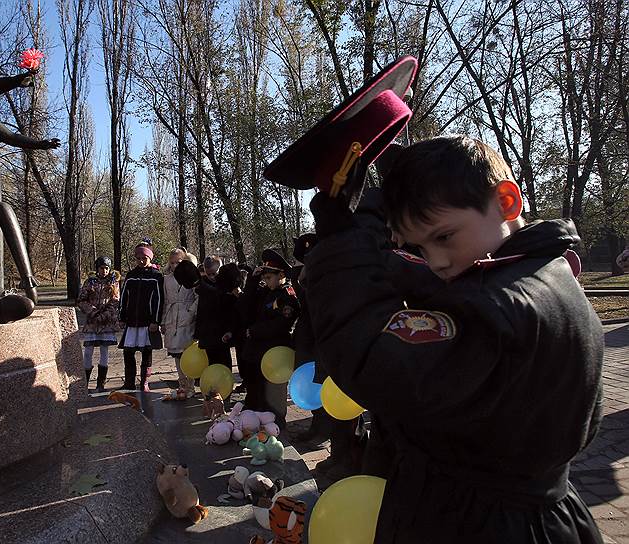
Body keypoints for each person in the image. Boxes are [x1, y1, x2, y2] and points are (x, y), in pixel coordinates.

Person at [304, 135, 603, 543]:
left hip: (485, 526)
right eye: (421, 246)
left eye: (443, 237)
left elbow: (372, 356)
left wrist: (342, 243)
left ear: (507, 202)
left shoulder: (499, 311)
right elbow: (444, 286)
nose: (436, 260)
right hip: (530, 515)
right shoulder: (540, 273)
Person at [238, 249, 299, 425]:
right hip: (258, 351)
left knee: (274, 392)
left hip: (276, 351)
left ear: (281, 275)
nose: (266, 281)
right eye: (264, 278)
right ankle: (257, 419)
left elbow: (282, 324)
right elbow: (244, 306)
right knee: (256, 388)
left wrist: (256, 331)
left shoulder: (287, 296)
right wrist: (253, 281)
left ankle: (277, 423)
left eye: (269, 277)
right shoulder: (266, 291)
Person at [119, 241, 165, 392]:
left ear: (150, 258)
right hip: (132, 320)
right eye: (138, 258)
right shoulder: (131, 276)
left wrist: (155, 320)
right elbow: (124, 297)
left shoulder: (156, 276)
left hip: (147, 321)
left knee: (146, 352)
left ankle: (144, 381)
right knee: (128, 352)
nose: (141, 260)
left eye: (144, 257)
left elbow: (159, 299)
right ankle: (129, 381)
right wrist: (121, 316)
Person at [78, 256, 121, 392]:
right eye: (102, 268)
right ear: (97, 269)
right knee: (88, 351)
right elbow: (82, 300)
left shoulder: (113, 282)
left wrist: (105, 314)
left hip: (107, 321)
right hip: (92, 321)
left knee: (104, 351)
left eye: (107, 268)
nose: (104, 271)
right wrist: (93, 312)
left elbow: (115, 300)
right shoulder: (90, 282)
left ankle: (100, 384)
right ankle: (84, 382)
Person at [162, 247, 199, 399]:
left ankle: (190, 386)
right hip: (172, 317)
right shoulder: (166, 279)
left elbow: (198, 297)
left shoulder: (192, 277)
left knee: (187, 353)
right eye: (172, 263)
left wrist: (190, 312)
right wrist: (163, 321)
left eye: (178, 262)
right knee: (177, 354)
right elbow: (165, 301)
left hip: (187, 317)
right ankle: (182, 384)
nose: (175, 266)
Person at [194, 255, 234, 369]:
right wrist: (198, 333)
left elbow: (230, 310)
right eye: (208, 274)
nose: (212, 277)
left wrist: (230, 330)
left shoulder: (226, 284)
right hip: (207, 331)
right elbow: (201, 311)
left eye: (214, 273)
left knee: (224, 360)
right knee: (210, 360)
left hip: (222, 329)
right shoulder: (202, 286)